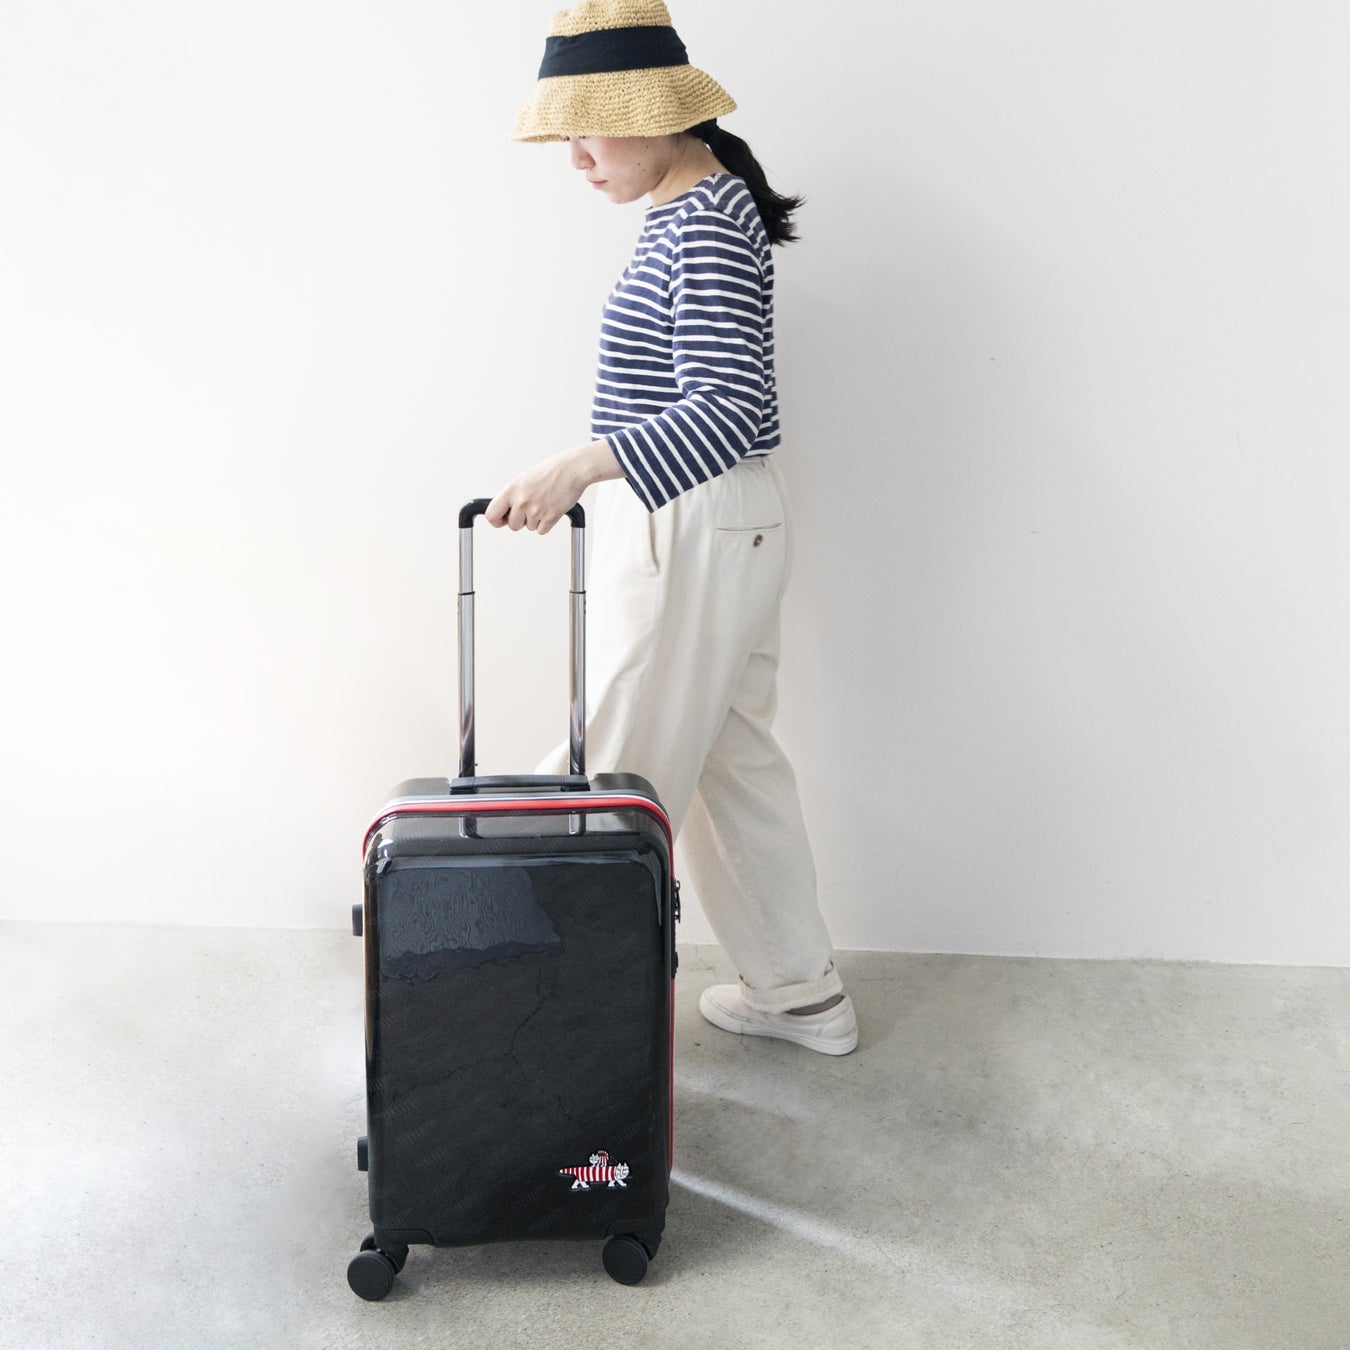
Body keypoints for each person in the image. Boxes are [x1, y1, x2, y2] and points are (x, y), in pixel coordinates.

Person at [486, 0, 857, 1055]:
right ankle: (799, 993)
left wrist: (579, 463)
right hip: (715, 522)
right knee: (732, 767)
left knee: (608, 771)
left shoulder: (701, 224)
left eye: (588, 132)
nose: (576, 159)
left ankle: (531, 1015)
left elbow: (729, 407)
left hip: (690, 524)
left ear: (651, 114)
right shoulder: (699, 208)